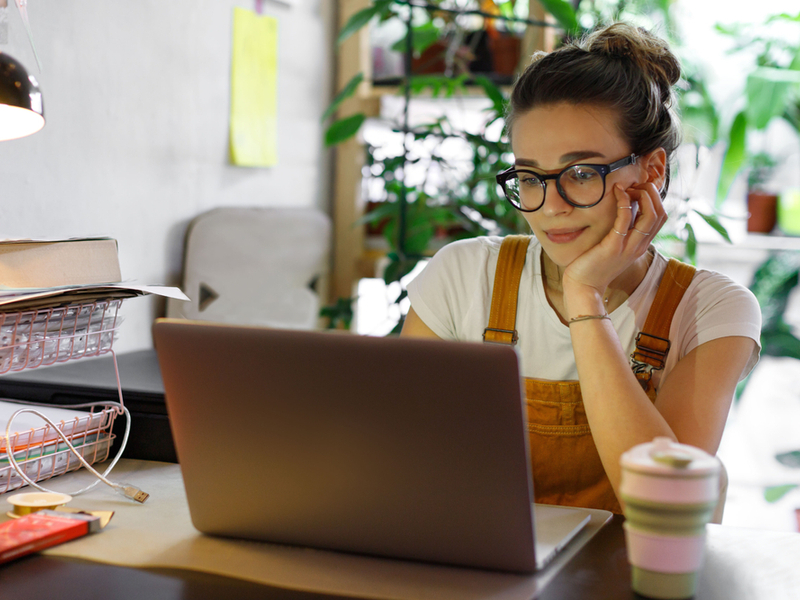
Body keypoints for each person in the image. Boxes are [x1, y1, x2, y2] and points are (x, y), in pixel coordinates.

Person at [401, 23, 762, 514]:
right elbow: (403, 461)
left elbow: (667, 503)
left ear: (651, 171)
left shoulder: (711, 310)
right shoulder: (464, 274)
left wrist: (585, 297)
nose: (550, 206)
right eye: (530, 177)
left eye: (581, 174)